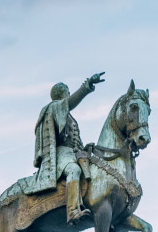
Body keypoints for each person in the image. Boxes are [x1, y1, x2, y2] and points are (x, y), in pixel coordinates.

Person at [27, 72, 106, 222]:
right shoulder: (53, 107)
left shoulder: (66, 116)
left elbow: (74, 140)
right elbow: (71, 102)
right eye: (68, 93)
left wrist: (84, 148)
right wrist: (86, 86)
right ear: (63, 93)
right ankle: (72, 212)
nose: (69, 95)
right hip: (60, 154)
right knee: (74, 170)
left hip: (74, 153)